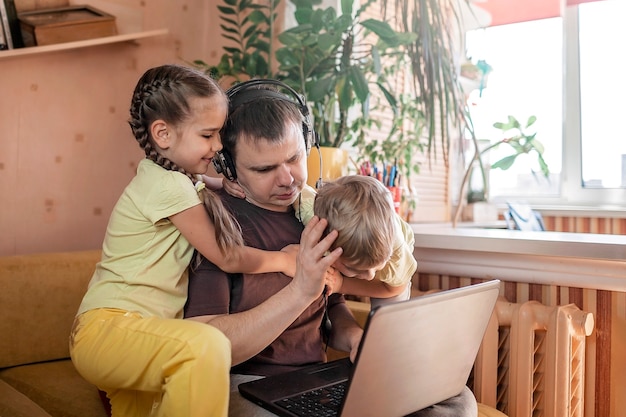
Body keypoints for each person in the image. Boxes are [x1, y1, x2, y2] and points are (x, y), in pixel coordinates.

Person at [185, 79, 478, 417]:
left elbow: (331, 309)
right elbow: (208, 345)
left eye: (294, 158)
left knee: (455, 400)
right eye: (265, 169)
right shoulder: (213, 223)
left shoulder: (313, 212)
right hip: (248, 384)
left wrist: (355, 339)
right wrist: (300, 291)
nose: (288, 179)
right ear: (228, 168)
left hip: (315, 379)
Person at [69, 65, 299, 417]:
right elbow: (227, 256)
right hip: (111, 329)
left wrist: (222, 184)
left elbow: (194, 188)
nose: (218, 146)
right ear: (163, 133)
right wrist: (282, 261)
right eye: (208, 135)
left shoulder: (168, 180)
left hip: (136, 333)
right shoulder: (168, 186)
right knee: (206, 346)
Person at [224, 175, 416, 307]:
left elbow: (392, 287)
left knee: (390, 323)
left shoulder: (395, 254)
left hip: (391, 267)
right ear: (326, 240)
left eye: (372, 269)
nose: (369, 275)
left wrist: (342, 284)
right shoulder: (308, 209)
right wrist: (225, 182)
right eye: (355, 269)